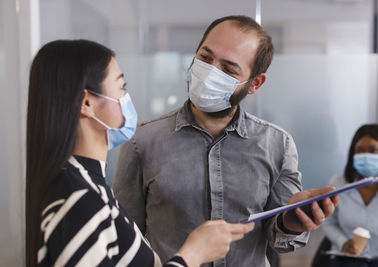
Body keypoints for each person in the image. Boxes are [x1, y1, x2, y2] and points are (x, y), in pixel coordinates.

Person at [113, 15, 339, 267]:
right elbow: (124, 237)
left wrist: (291, 223)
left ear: (255, 83)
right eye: (205, 58)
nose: (210, 73)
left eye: (228, 69)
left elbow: (281, 240)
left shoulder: (277, 145)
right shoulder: (143, 140)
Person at [25, 39, 255, 267]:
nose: (127, 98)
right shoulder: (79, 198)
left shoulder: (84, 185)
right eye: (121, 87)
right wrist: (192, 255)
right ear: (86, 103)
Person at [322, 124, 378, 267]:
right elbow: (328, 223)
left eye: (373, 150)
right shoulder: (338, 184)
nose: (365, 156)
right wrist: (343, 242)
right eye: (359, 150)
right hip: (345, 258)